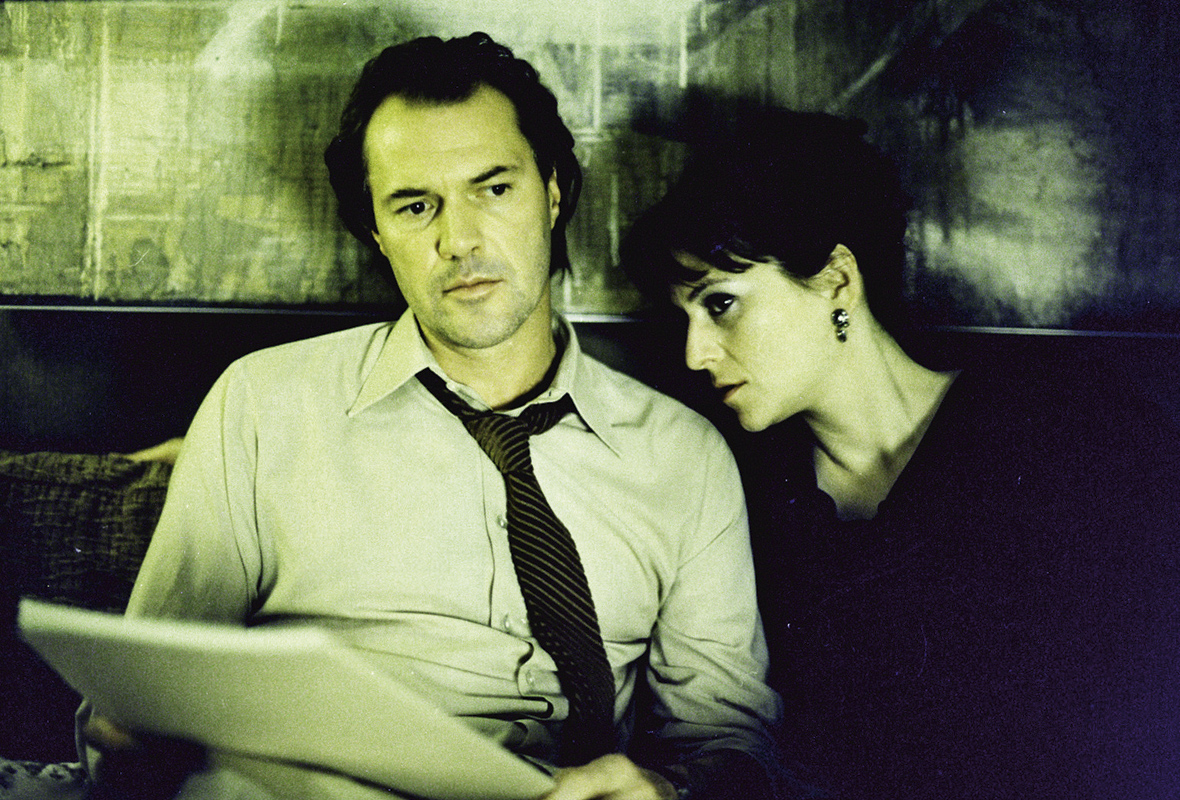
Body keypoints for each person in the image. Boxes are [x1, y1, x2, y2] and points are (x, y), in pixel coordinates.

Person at [80, 34, 782, 800]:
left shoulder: (683, 457)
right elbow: (148, 686)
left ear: (552, 193)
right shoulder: (261, 405)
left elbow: (730, 744)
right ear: (377, 232)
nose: (459, 240)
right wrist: (126, 732)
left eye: (494, 189)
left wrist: (670, 790)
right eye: (416, 206)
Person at [621, 108, 1180, 799]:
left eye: (721, 304)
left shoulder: (1072, 428)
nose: (694, 353)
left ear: (837, 280)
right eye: (684, 318)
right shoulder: (744, 497)